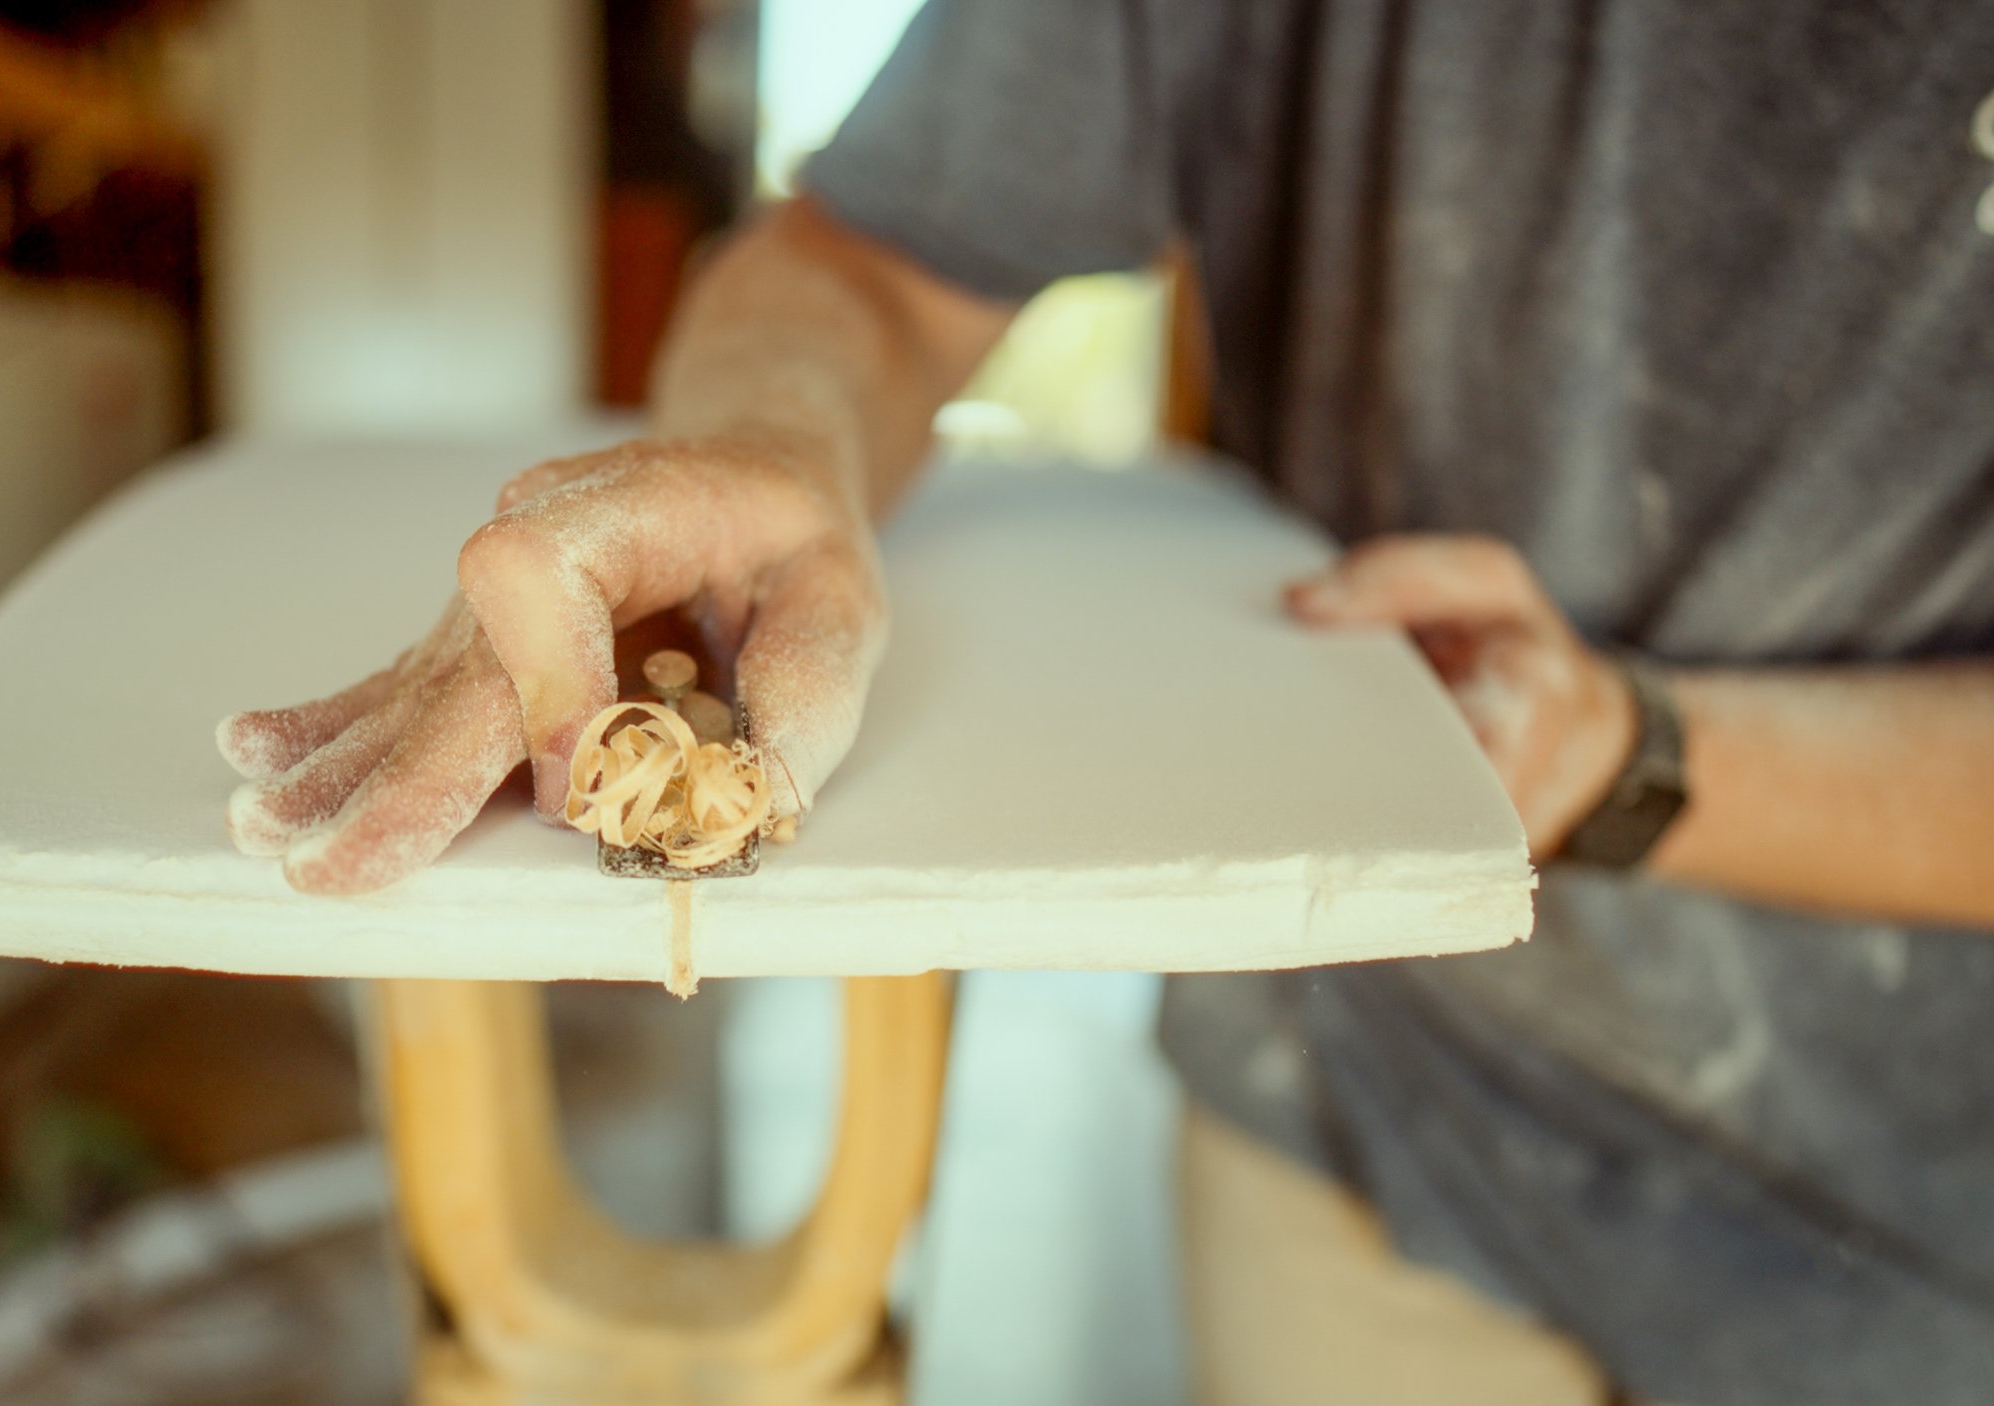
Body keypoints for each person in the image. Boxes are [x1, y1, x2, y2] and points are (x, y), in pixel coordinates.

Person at [214, 2, 1994, 1400]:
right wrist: (776, 430)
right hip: (1372, 1087)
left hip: (1913, 1202)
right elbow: (869, 268)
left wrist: (1635, 756)